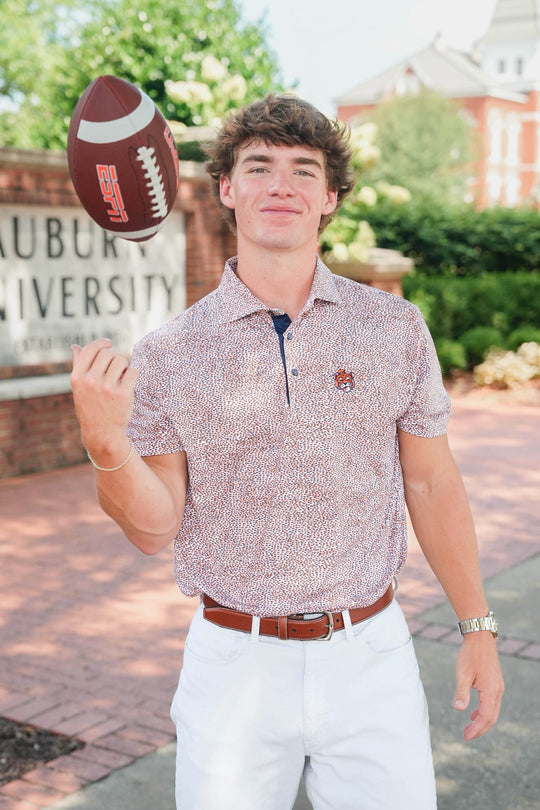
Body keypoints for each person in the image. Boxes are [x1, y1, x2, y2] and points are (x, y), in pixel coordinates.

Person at [70, 94, 504, 810]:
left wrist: (478, 627)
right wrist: (103, 442)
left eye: (304, 171)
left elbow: (431, 486)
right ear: (227, 190)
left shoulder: (393, 328)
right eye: (259, 166)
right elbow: (153, 530)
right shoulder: (170, 355)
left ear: (329, 198)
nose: (281, 184)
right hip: (232, 665)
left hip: (370, 656)